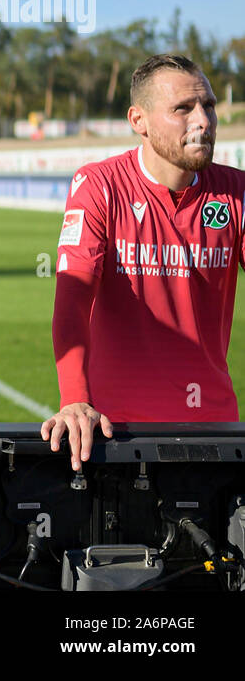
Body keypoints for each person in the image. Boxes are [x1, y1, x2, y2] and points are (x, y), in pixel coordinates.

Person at [43, 55, 245, 470]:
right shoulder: (100, 185)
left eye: (208, 105)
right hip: (115, 433)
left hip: (215, 430)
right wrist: (75, 399)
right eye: (183, 109)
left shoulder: (236, 191)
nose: (203, 120)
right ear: (140, 120)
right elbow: (72, 300)